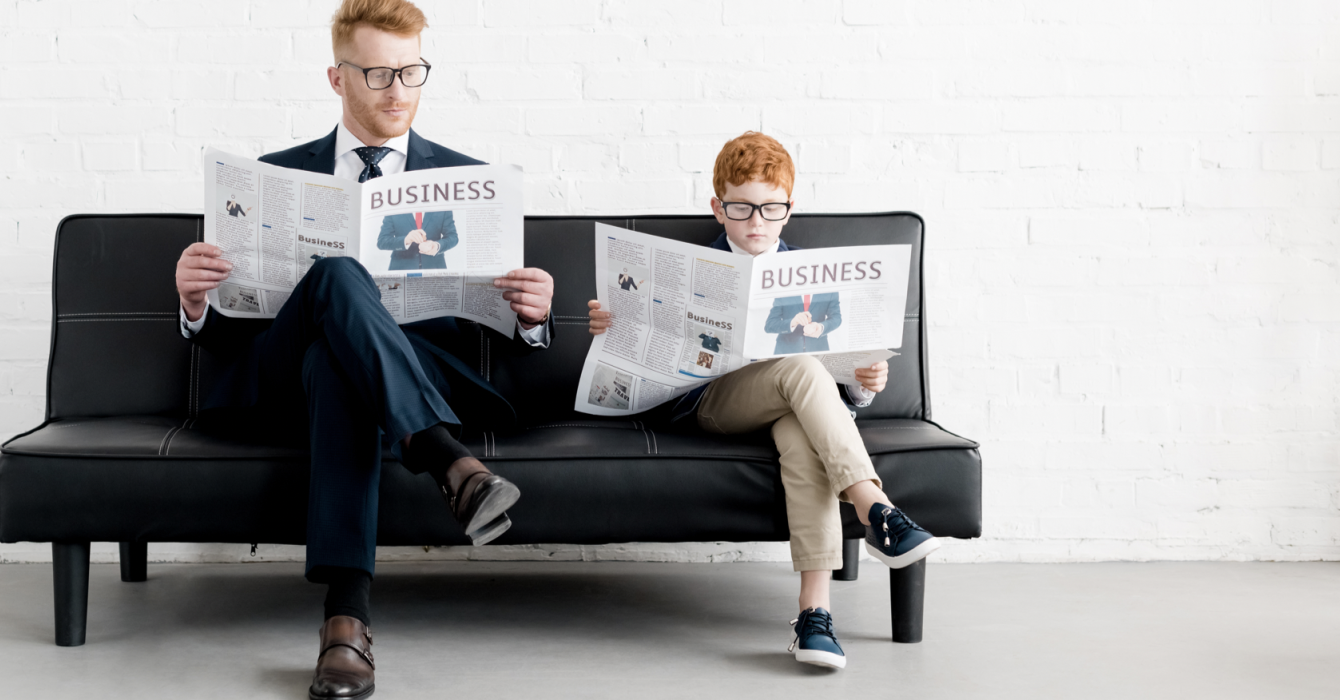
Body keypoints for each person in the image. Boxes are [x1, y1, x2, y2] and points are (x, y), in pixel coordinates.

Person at [173, 2, 556, 698]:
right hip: (280, 378)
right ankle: (450, 463)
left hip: (405, 376)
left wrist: (532, 316)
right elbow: (235, 328)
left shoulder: (469, 181)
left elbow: (516, 346)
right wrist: (195, 303)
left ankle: (345, 624)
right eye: (378, 73)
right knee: (336, 275)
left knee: (339, 366)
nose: (397, 91)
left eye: (412, 72)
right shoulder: (272, 178)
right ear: (336, 76)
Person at [585, 131, 940, 672]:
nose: (756, 221)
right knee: (800, 367)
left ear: (788, 210)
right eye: (742, 207)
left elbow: (848, 389)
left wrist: (867, 380)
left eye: (771, 208)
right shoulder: (687, 267)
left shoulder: (813, 278)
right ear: (717, 208)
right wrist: (616, 325)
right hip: (714, 404)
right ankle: (875, 508)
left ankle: (814, 617)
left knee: (803, 437)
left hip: (792, 409)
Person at [376, 210, 456, 269]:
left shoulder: (442, 207)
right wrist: (405, 240)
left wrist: (437, 246)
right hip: (401, 268)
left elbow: (452, 237)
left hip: (434, 267)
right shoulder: (394, 208)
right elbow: (382, 241)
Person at [766, 291, 838, 354]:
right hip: (786, 351)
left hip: (818, 349)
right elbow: (770, 324)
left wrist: (821, 327)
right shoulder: (783, 289)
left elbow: (836, 318)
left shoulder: (830, 289)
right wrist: (792, 322)